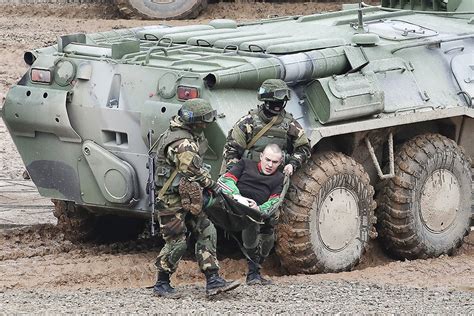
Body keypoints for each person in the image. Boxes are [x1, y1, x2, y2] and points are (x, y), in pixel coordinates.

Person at [152, 98, 240, 297]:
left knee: (206, 230)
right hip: (171, 201)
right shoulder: (182, 142)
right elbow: (192, 170)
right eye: (205, 120)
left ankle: (213, 280)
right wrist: (212, 186)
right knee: (177, 242)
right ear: (196, 122)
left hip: (186, 196)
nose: (207, 124)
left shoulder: (186, 134)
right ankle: (162, 283)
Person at [219, 144, 285, 285]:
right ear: (261, 156)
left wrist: (258, 208)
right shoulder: (245, 164)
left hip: (257, 213)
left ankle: (254, 269)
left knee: (262, 228)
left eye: (274, 162)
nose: (269, 165)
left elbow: (274, 201)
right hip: (233, 204)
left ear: (280, 163)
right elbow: (226, 181)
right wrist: (239, 198)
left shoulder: (279, 178)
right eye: (267, 160)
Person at [223, 79, 311, 177]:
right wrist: (234, 173)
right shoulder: (247, 122)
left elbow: (304, 149)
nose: (278, 105)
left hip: (276, 178)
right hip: (247, 175)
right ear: (266, 101)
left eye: (281, 102)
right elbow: (231, 150)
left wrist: (292, 164)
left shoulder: (291, 125)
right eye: (276, 101)